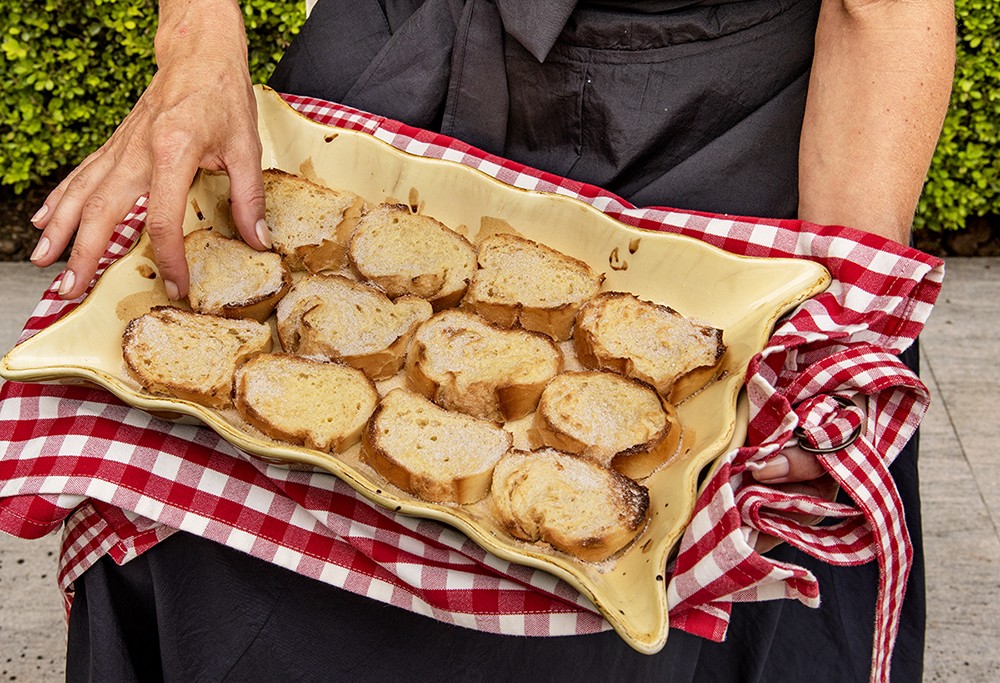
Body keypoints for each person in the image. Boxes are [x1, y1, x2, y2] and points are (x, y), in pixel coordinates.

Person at [28, 0, 955, 680]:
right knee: (193, 468)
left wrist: (839, 343)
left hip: (710, 116)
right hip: (393, 45)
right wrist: (195, 46)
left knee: (634, 586)